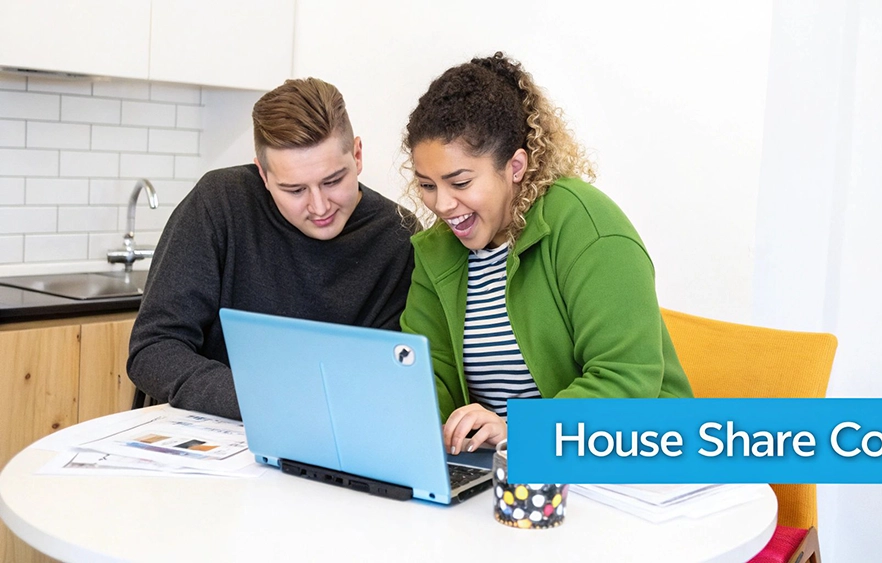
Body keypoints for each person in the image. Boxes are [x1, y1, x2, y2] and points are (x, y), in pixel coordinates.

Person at [399, 52, 693, 455]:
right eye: (428, 186)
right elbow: (431, 381)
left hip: (632, 462)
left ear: (516, 166)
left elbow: (627, 379)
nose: (443, 204)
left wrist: (516, 430)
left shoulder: (587, 228)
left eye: (460, 182)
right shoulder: (436, 253)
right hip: (513, 471)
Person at [128, 78, 417, 420]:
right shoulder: (220, 202)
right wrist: (263, 400)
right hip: (210, 431)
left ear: (357, 155)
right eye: (294, 190)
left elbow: (387, 370)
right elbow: (153, 348)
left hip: (328, 433)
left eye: (333, 181)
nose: (320, 206)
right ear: (264, 176)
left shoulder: (397, 235)